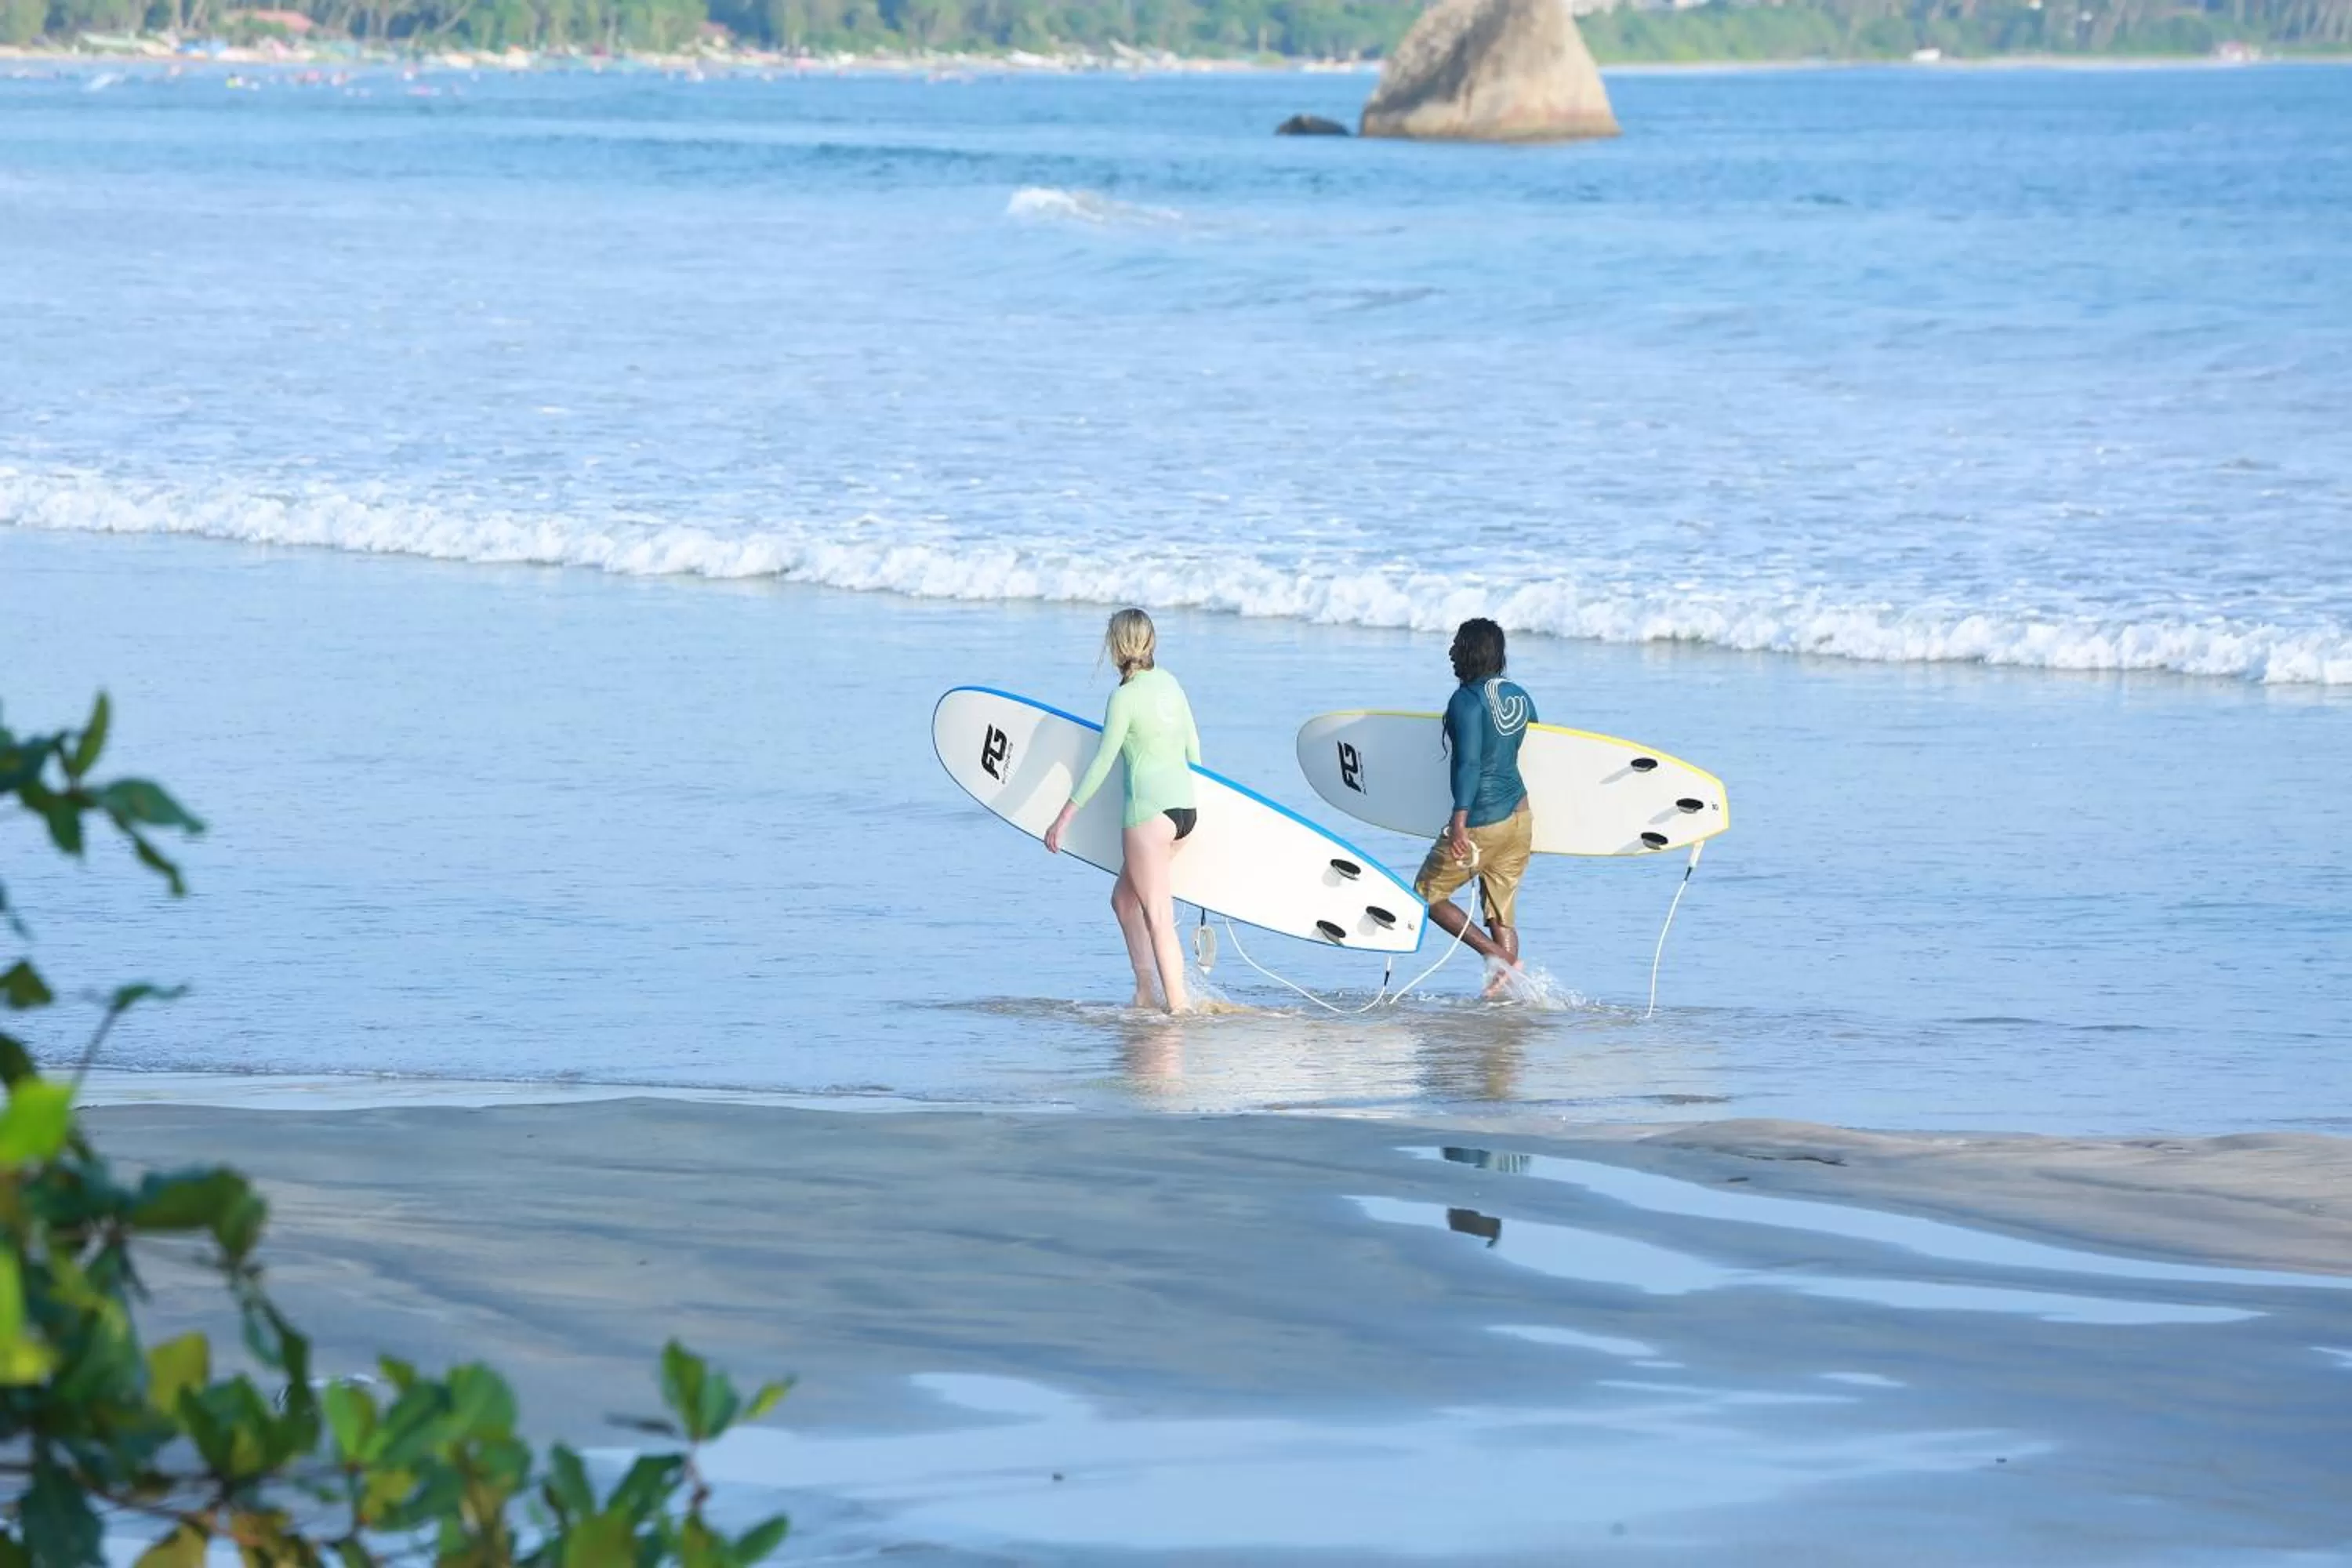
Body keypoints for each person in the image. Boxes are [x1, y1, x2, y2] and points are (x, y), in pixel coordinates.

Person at [1044, 608, 1201, 1014]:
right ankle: (1146, 992)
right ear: (1151, 642)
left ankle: (1178, 1010)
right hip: (1184, 812)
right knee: (1124, 901)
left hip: (1147, 816)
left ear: (1116, 646)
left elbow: (1102, 762)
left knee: (1159, 918)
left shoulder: (1124, 698)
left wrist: (1063, 820)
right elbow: (1193, 747)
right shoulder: (1171, 684)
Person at [1415, 617, 1536, 997]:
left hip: (1483, 819)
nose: (1451, 652)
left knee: (1427, 895)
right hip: (1521, 818)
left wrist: (1460, 820)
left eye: (1456, 645)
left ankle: (1499, 958)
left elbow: (1468, 763)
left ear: (1471, 650)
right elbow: (1541, 750)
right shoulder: (1519, 695)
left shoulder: (1466, 700)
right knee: (1500, 910)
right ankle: (1504, 997)